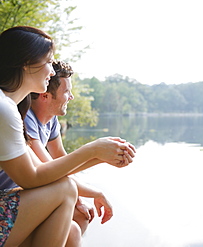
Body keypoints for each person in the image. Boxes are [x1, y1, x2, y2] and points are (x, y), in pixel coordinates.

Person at [0, 26, 136, 247]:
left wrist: (103, 154)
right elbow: (32, 178)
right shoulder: (4, 110)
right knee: (65, 189)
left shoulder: (10, 109)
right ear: (26, 63)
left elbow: (43, 169)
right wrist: (94, 150)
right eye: (47, 62)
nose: (51, 71)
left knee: (72, 230)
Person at [24, 60, 111, 247]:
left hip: (28, 191)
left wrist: (78, 199)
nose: (71, 97)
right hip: (10, 194)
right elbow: (49, 169)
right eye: (66, 92)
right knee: (71, 231)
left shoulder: (51, 120)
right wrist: (96, 191)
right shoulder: (26, 118)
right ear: (45, 96)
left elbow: (63, 160)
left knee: (82, 214)